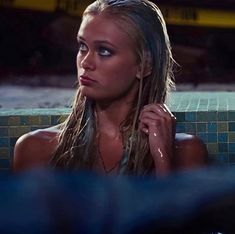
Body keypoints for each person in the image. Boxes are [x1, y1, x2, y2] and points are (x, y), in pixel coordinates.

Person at [13, 0, 207, 175]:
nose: (86, 62)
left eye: (104, 51)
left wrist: (163, 160)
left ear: (145, 65)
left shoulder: (187, 152)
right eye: (82, 47)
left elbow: (174, 215)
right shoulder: (35, 149)